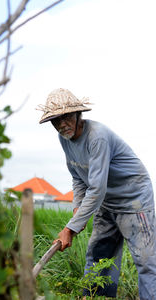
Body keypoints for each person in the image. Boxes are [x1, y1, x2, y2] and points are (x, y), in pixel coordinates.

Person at [37, 88, 156, 299]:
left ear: (77, 115)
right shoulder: (65, 139)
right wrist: (77, 211)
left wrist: (70, 229)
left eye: (66, 117)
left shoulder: (97, 137)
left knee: (146, 261)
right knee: (99, 256)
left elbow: (97, 188)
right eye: (56, 121)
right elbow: (78, 176)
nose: (62, 124)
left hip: (134, 200)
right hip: (107, 202)